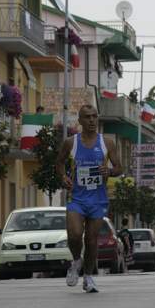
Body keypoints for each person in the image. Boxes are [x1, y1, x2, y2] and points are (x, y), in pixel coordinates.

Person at [56, 104, 122, 293]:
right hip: (76, 197)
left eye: (94, 116)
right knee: (75, 234)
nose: (92, 120)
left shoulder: (107, 143)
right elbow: (59, 163)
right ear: (80, 121)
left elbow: (119, 168)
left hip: (98, 199)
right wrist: (63, 177)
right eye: (87, 117)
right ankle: (77, 260)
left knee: (92, 240)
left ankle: (89, 277)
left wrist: (109, 171)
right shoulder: (71, 143)